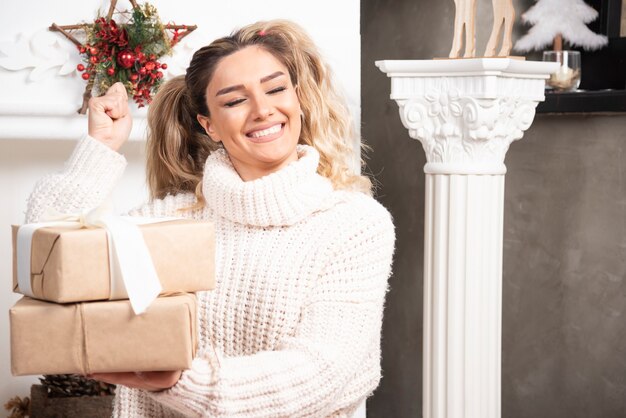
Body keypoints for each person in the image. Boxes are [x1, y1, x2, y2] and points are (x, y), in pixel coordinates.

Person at [25, 19, 395, 417]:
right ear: (209, 125)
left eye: (275, 88)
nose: (263, 110)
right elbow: (43, 256)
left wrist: (182, 380)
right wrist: (100, 147)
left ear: (298, 98)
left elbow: (324, 371)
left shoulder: (355, 224)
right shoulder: (167, 221)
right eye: (235, 101)